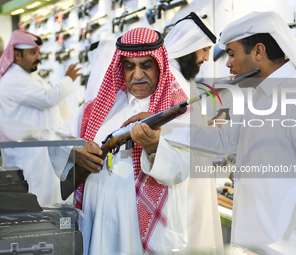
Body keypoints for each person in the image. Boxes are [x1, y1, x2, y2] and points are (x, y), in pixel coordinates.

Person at [176, 11, 296, 254]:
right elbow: (224, 140)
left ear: (259, 51)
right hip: (257, 244)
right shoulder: (255, 93)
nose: (228, 63)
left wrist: (294, 247)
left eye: (231, 54)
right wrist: (164, 134)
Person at [49, 27, 191, 255]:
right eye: (129, 66)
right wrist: (75, 151)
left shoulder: (177, 110)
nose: (137, 75)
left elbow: (182, 169)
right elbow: (57, 136)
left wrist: (154, 146)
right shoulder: (98, 107)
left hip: (137, 231)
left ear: (159, 65)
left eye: (146, 65)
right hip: (96, 219)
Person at [164, 12, 224, 254]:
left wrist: (205, 125)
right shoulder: (169, 78)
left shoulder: (180, 76)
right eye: (204, 50)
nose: (207, 57)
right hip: (180, 179)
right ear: (189, 46)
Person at [0, 29, 82, 205]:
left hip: (37, 152)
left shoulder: (28, 76)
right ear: (16, 55)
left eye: (38, 52)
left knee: (45, 201)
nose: (38, 57)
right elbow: (48, 98)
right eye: (32, 53)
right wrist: (69, 78)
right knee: (33, 202)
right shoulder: (13, 80)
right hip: (27, 155)